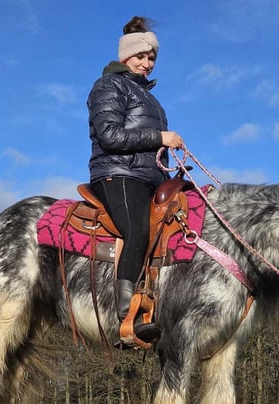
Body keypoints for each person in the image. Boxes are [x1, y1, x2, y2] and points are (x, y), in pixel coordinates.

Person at [87, 15, 183, 344]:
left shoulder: (152, 99)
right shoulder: (108, 86)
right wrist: (160, 136)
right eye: (141, 56)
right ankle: (126, 314)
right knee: (137, 229)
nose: (147, 63)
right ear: (125, 56)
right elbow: (110, 135)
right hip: (117, 173)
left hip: (149, 178)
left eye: (151, 58)